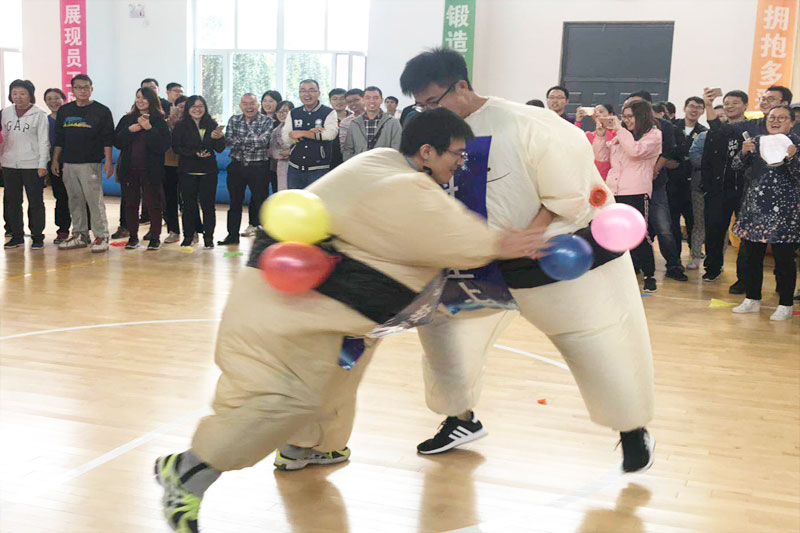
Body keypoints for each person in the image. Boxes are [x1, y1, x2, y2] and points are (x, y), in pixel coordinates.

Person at [153, 108, 545, 532]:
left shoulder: (379, 162)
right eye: (456, 154)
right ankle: (190, 471)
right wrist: (507, 242)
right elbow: (458, 239)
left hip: (306, 308)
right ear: (427, 152)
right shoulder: (406, 187)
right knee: (281, 397)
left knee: (334, 374)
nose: (460, 163)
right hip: (283, 311)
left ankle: (309, 446)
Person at [401, 48, 655, 471]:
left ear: (460, 86)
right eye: (421, 106)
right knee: (446, 339)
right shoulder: (434, 134)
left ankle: (631, 430)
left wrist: (534, 231)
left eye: (433, 102)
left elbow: (572, 192)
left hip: (553, 258)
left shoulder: (529, 124)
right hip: (475, 262)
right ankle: (460, 419)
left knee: (599, 343)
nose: (427, 112)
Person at [730, 105, 799, 321]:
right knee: (751, 257)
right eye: (771, 117)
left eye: (781, 118)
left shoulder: (796, 144)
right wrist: (743, 152)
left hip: (784, 212)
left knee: (784, 260)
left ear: (792, 122)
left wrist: (793, 158)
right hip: (755, 209)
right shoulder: (757, 141)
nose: (775, 121)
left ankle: (785, 304)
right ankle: (752, 299)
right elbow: (736, 166)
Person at [593, 100, 662, 292]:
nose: (627, 120)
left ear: (642, 116)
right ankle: (618, 273)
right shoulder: (622, 135)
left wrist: (619, 129)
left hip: (636, 191)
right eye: (624, 117)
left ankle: (649, 275)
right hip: (614, 190)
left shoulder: (653, 135)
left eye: (630, 117)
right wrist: (601, 135)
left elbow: (635, 151)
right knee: (614, 235)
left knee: (639, 235)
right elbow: (601, 156)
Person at [52, 74, 114, 253]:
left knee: (94, 201)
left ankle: (101, 235)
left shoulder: (102, 111)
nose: (82, 90)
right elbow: (60, 138)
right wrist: (56, 159)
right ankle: (80, 235)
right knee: (74, 200)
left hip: (90, 163)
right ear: (72, 90)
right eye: (78, 87)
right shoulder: (65, 111)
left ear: (91, 89)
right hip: (68, 163)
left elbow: (107, 139)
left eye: (86, 87)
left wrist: (108, 161)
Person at [628, 91, 686, 281]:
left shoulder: (662, 126)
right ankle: (635, 263)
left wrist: (655, 170)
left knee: (663, 227)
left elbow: (668, 151)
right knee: (634, 226)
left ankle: (673, 265)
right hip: (631, 185)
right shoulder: (626, 126)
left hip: (656, 184)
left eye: (636, 105)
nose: (632, 110)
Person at [699, 90, 749, 287]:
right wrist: (706, 185)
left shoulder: (753, 129)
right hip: (718, 189)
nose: (729, 106)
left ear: (745, 106)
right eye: (727, 103)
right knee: (714, 230)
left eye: (735, 103)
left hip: (745, 189)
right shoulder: (719, 130)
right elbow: (707, 158)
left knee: (745, 235)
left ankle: (744, 277)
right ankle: (712, 268)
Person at [113, 87, 171, 250]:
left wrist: (149, 128)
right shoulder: (127, 119)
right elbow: (117, 141)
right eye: (138, 97)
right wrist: (129, 130)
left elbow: (163, 146)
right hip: (129, 169)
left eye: (144, 98)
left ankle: (155, 237)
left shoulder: (159, 120)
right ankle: (133, 237)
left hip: (151, 170)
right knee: (130, 204)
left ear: (151, 100)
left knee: (153, 204)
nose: (140, 100)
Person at [171, 95, 226, 249]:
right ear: (188, 109)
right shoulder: (181, 125)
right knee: (188, 206)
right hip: (187, 171)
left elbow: (220, 148)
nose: (197, 109)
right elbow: (176, 148)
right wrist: (194, 153)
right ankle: (188, 236)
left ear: (205, 108)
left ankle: (209, 237)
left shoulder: (212, 124)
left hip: (208, 172)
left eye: (200, 106)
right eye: (194, 106)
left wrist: (218, 138)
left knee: (208, 206)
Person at [1, 80, 49, 250]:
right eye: (14, 93)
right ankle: (16, 236)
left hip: (32, 164)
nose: (18, 97)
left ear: (30, 95)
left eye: (22, 93)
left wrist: (42, 164)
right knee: (12, 202)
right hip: (9, 164)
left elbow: (44, 141)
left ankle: (37, 236)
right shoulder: (5, 112)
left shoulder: (39, 114)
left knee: (35, 202)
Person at [219, 93, 272, 246]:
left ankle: (263, 239)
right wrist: (254, 139)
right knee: (234, 203)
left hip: (259, 167)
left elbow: (264, 142)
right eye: (245, 103)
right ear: (240, 105)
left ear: (258, 105)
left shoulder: (266, 120)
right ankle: (232, 236)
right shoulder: (234, 120)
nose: (249, 107)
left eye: (252, 103)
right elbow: (229, 140)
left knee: (261, 203)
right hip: (237, 166)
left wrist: (241, 141)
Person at [669, 97, 707, 269]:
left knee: (693, 221)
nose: (694, 110)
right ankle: (674, 256)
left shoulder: (704, 132)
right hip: (672, 182)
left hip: (693, 184)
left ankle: (695, 253)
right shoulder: (672, 126)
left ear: (703, 111)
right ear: (684, 108)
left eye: (699, 107)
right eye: (691, 106)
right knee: (672, 222)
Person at [282, 79, 338, 189]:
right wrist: (308, 134)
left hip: (319, 169)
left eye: (311, 90)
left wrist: (303, 133)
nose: (307, 94)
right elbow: (286, 137)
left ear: (319, 93)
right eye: (303, 91)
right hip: (294, 169)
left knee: (317, 199)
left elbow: (330, 134)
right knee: (295, 199)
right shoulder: (293, 113)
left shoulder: (329, 112)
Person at [342, 86, 402, 160]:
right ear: (363, 100)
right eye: (368, 98)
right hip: (360, 164)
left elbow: (397, 148)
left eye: (376, 98)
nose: (372, 101)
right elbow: (348, 149)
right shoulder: (354, 123)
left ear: (382, 100)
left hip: (384, 164)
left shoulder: (393, 122)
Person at [43, 87, 70, 244]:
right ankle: (63, 230)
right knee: (60, 197)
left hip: (73, 161)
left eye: (56, 98)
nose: (53, 101)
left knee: (78, 196)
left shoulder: (71, 119)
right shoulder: (45, 121)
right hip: (54, 163)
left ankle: (83, 230)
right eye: (49, 99)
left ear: (64, 99)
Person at [162, 95, 187, 244]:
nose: (183, 110)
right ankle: (173, 231)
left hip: (188, 165)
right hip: (168, 165)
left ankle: (192, 231)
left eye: (186, 107)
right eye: (180, 106)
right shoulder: (167, 122)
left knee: (188, 201)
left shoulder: (193, 123)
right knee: (170, 200)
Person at [575, 103, 616, 180]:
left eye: (601, 111)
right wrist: (578, 121)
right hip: (592, 177)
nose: (597, 114)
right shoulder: (589, 135)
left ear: (610, 114)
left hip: (611, 178)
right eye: (595, 112)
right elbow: (574, 140)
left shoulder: (617, 134)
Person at [268, 100, 294, 191]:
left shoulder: (299, 127)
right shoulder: (276, 131)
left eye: (285, 111)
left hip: (297, 166)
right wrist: (283, 153)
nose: (281, 114)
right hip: (281, 166)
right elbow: (271, 151)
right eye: (278, 112)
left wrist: (291, 152)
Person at [328, 88, 350, 169]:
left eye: (342, 99)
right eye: (335, 99)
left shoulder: (354, 118)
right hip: (329, 160)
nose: (339, 102)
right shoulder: (325, 119)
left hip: (349, 159)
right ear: (330, 101)